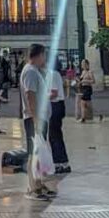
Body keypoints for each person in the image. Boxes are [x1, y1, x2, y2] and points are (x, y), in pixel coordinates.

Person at [19, 43, 54, 201]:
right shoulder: (31, 72)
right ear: (38, 55)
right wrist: (36, 119)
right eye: (44, 55)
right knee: (34, 152)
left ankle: (39, 184)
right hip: (35, 118)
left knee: (39, 151)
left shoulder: (35, 71)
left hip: (39, 117)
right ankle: (33, 187)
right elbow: (30, 95)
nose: (45, 59)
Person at [47, 57, 70, 174]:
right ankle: (63, 162)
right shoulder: (56, 74)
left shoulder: (52, 74)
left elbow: (53, 93)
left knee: (54, 136)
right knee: (56, 135)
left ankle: (59, 163)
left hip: (54, 106)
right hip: (59, 105)